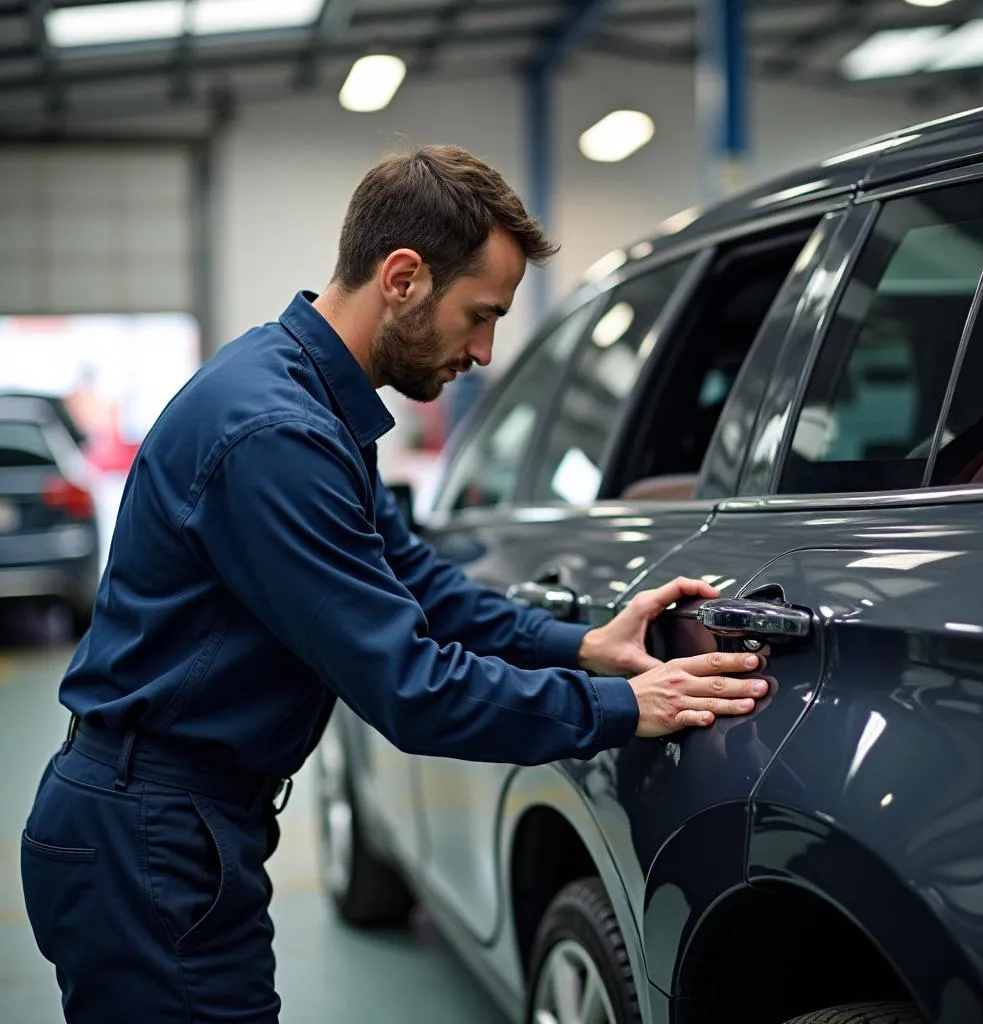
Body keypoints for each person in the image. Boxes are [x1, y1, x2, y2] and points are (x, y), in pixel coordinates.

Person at [21, 144, 769, 1024]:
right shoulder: (276, 434)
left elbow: (417, 584)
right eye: (479, 315)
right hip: (150, 837)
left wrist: (582, 646)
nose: (485, 351)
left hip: (174, 825)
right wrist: (620, 710)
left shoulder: (311, 401)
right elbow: (408, 687)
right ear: (404, 277)